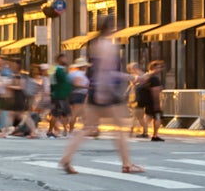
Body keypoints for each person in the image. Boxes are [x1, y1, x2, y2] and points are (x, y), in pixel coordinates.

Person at [58, 15, 145, 174]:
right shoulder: (108, 46)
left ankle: (66, 158)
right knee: (119, 129)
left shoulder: (95, 44)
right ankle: (127, 164)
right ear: (111, 27)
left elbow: (96, 72)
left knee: (86, 128)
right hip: (106, 93)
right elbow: (108, 73)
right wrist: (132, 77)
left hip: (94, 91)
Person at [137, 59, 166, 141]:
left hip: (147, 101)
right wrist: (157, 104)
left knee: (148, 116)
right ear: (153, 68)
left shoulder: (147, 76)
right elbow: (155, 91)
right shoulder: (155, 78)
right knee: (157, 117)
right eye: (158, 67)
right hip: (153, 101)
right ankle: (155, 135)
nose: (160, 70)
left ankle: (144, 131)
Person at [48, 52, 73, 138]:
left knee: (66, 114)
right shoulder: (55, 69)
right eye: (63, 58)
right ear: (59, 60)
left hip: (64, 95)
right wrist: (52, 91)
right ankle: (50, 131)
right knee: (56, 113)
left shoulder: (65, 70)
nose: (65, 60)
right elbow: (52, 81)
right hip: (58, 95)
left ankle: (65, 130)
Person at [68, 59, 90, 135]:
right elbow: (77, 84)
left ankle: (86, 128)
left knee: (83, 112)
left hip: (75, 94)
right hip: (79, 94)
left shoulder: (73, 73)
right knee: (75, 113)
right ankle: (70, 130)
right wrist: (87, 87)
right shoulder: (79, 74)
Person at [125, 62, 147, 138]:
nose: (132, 70)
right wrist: (127, 94)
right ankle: (143, 131)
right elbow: (131, 87)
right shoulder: (135, 76)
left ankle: (134, 131)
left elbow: (141, 83)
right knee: (137, 116)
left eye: (133, 68)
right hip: (133, 98)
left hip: (139, 99)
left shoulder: (141, 75)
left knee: (137, 116)